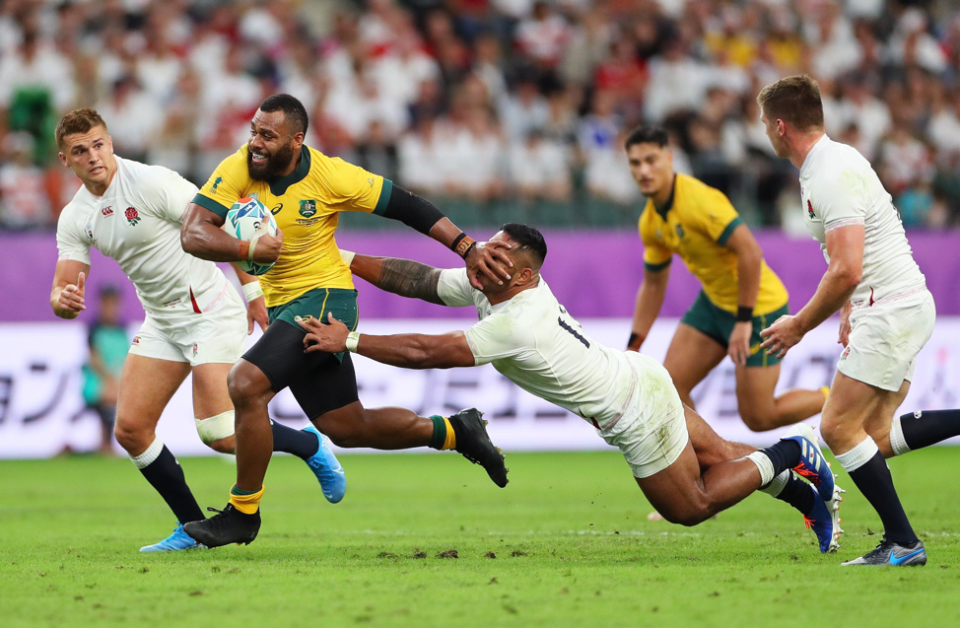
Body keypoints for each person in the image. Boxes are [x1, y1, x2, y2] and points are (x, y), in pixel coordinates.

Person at [296, 224, 842, 551]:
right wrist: (342, 258)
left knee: (692, 505)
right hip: (638, 375)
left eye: (499, 255)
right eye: (487, 249)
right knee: (723, 456)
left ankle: (794, 451)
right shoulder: (494, 281)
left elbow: (429, 353)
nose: (484, 259)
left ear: (526, 274)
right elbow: (420, 281)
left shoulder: (519, 320)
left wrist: (351, 340)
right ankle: (804, 491)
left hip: (634, 408)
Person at [179, 94, 512, 548]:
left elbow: (407, 206)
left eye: (267, 136)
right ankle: (456, 432)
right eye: (253, 131)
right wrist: (247, 250)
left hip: (325, 299)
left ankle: (242, 513)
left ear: (296, 140)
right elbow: (192, 232)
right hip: (285, 308)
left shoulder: (331, 175)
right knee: (346, 425)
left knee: (244, 385)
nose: (255, 143)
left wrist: (467, 248)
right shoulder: (239, 165)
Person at [51, 109, 343, 552]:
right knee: (130, 429)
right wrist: (61, 301)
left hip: (209, 310)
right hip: (163, 321)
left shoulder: (151, 183)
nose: (93, 156)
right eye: (80, 151)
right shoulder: (75, 217)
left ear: (110, 142)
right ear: (65, 160)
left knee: (220, 432)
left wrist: (252, 294)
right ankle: (192, 528)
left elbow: (219, 226)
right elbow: (64, 282)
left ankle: (308, 444)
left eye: (98, 144)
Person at [757, 75, 960, 566]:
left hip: (889, 307)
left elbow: (847, 266)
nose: (764, 130)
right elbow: (850, 252)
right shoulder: (829, 164)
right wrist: (848, 306)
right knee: (872, 435)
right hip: (896, 302)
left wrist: (800, 324)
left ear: (780, 126)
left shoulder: (828, 172)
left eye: (765, 122)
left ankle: (904, 542)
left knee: (837, 427)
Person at [624, 125, 828, 432]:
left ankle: (837, 396)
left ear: (669, 158)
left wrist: (743, 321)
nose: (644, 170)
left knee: (759, 417)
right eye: (635, 163)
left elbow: (750, 253)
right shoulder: (650, 221)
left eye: (651, 160)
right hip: (714, 303)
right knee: (670, 387)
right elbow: (653, 285)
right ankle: (710, 459)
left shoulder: (700, 202)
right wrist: (634, 346)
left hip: (758, 307)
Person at [81, 284, 127, 455]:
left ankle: (108, 445)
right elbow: (95, 362)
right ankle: (106, 444)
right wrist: (111, 379)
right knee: (110, 395)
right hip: (96, 382)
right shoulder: (94, 329)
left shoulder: (122, 328)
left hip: (117, 381)